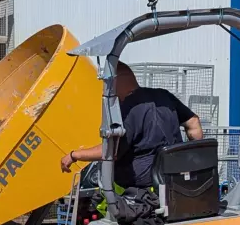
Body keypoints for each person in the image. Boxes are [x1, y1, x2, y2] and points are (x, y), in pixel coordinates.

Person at [60, 62, 203, 188]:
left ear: (115, 81)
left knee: (104, 186)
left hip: (142, 186)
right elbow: (193, 122)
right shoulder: (164, 95)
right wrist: (195, 160)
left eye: (106, 85)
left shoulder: (128, 109)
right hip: (174, 178)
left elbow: (111, 151)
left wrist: (74, 155)